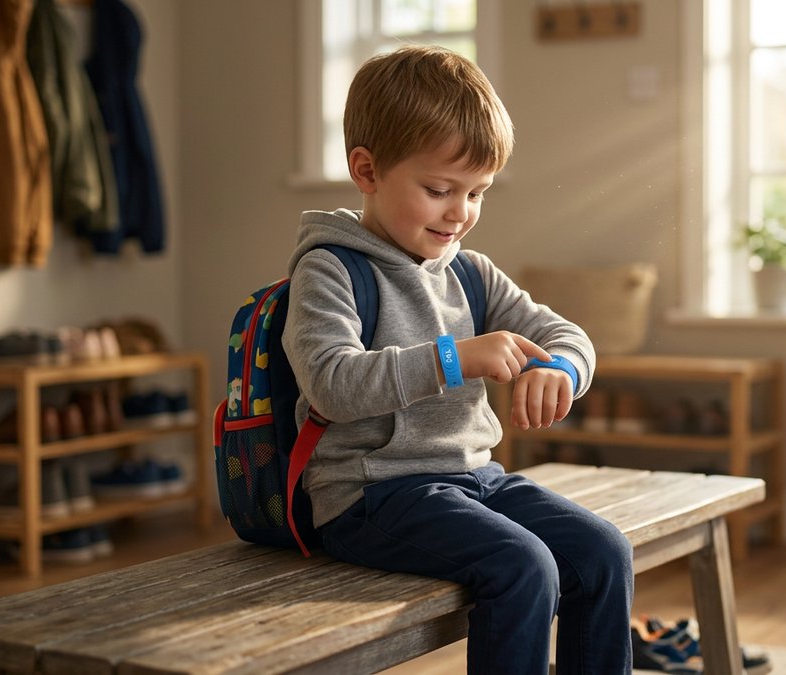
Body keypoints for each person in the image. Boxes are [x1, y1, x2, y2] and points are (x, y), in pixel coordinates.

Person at [282, 44, 633, 674]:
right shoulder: (330, 269)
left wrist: (561, 368)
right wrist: (457, 358)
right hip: (370, 496)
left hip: (473, 481)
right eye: (439, 189)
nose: (460, 213)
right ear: (367, 171)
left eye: (477, 193)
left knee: (602, 551)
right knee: (523, 565)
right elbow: (332, 385)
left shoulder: (471, 273)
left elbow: (566, 334)